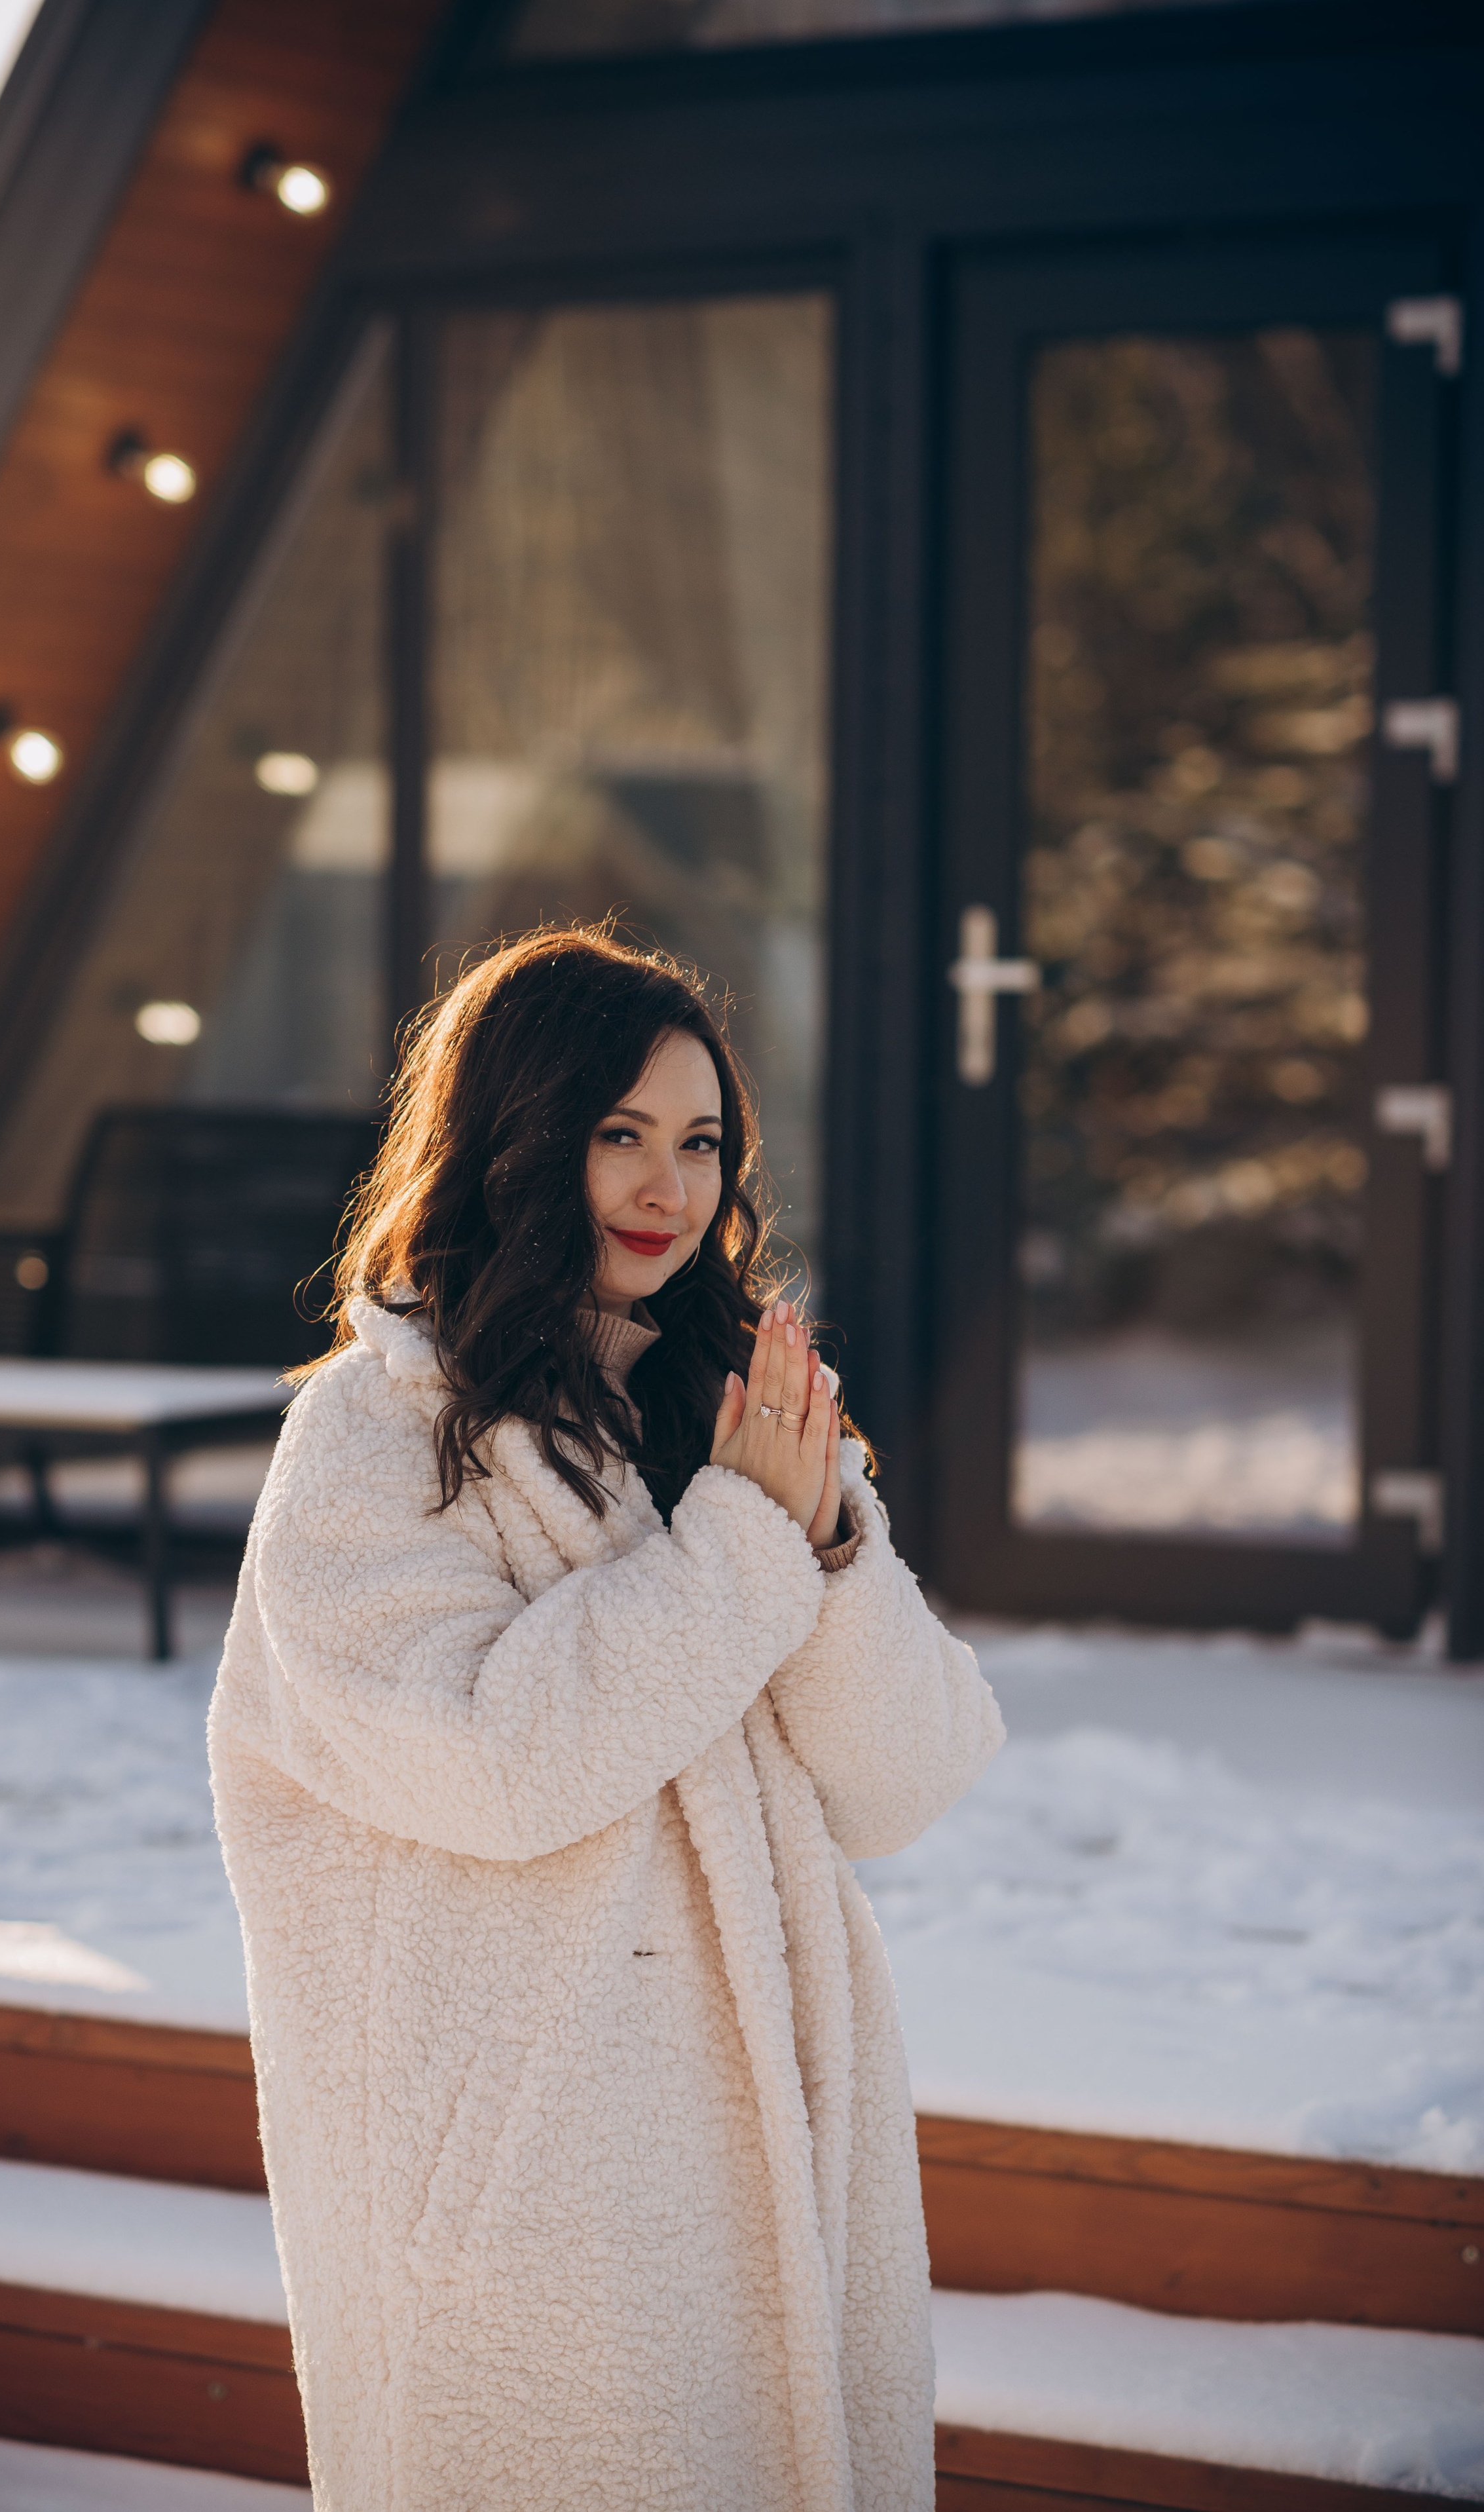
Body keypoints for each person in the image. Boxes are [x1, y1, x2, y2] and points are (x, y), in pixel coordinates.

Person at [210, 927, 1003, 2512]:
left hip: (766, 2134)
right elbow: (497, 1768)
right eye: (616, 1133)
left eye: (699, 1141)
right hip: (528, 2178)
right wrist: (742, 1543)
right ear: (514, 1136)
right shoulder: (373, 1437)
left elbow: (908, 1776)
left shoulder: (727, 1399)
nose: (667, 1185)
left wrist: (829, 1544)